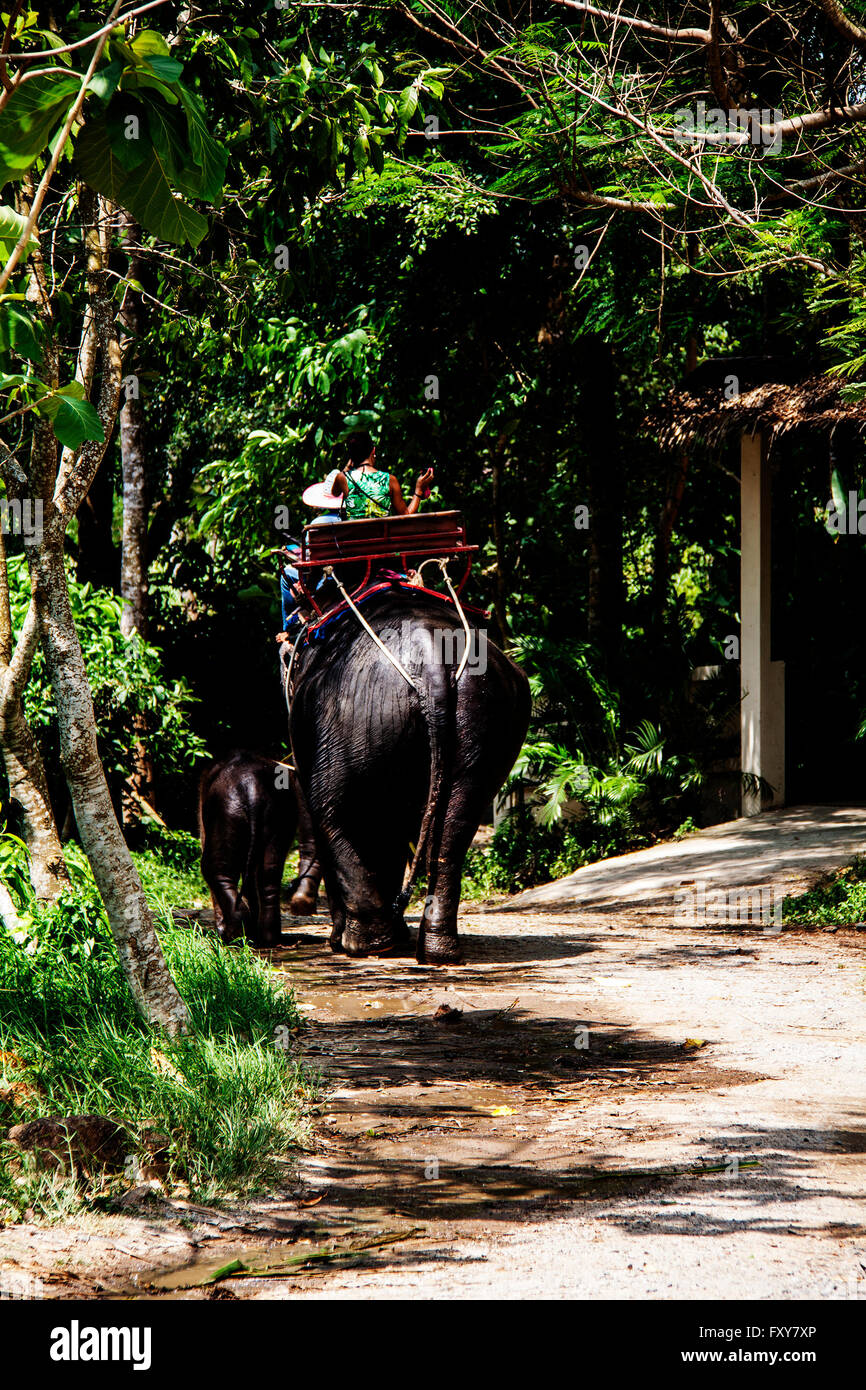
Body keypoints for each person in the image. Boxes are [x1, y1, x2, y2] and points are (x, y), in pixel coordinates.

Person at [332, 432, 433, 518]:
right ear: (373, 451)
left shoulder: (343, 478)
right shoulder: (389, 480)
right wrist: (419, 490)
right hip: (382, 538)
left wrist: (349, 464)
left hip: (355, 538)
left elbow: (334, 493)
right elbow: (405, 516)